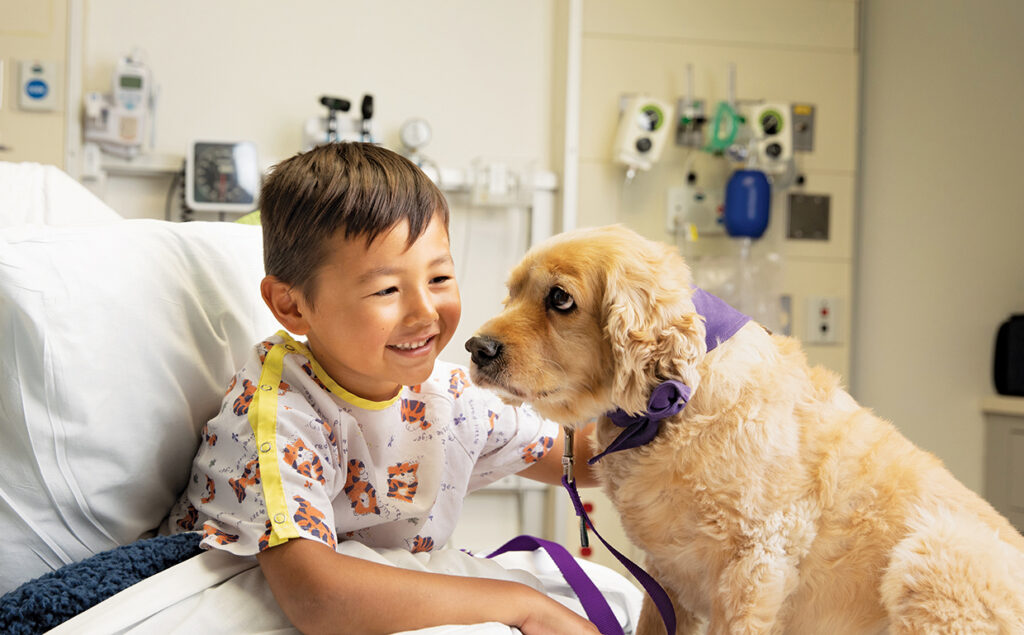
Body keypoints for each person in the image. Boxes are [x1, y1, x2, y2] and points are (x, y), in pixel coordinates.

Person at [163, 142, 600, 634]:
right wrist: (523, 604)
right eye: (387, 290)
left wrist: (682, 406)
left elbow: (584, 458)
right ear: (291, 306)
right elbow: (318, 597)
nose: (424, 313)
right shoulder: (275, 415)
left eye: (439, 277)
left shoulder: (448, 395)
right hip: (236, 602)